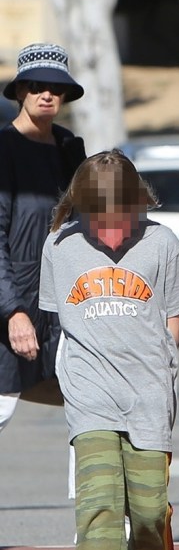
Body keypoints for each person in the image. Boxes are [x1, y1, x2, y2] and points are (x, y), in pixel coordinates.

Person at [39, 150, 179, 550]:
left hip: (149, 392)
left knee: (149, 508)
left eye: (121, 218)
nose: (111, 233)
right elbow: (57, 319)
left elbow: (174, 313)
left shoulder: (161, 242)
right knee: (99, 505)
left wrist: (164, 363)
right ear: (80, 207)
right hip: (90, 394)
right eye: (100, 221)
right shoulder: (60, 247)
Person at [0, 43, 86, 434]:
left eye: (56, 86)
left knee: (90, 414)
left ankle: (95, 498)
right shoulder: (4, 150)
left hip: (64, 307)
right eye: (36, 86)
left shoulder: (70, 148)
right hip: (14, 308)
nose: (47, 94)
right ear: (20, 92)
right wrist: (13, 313)